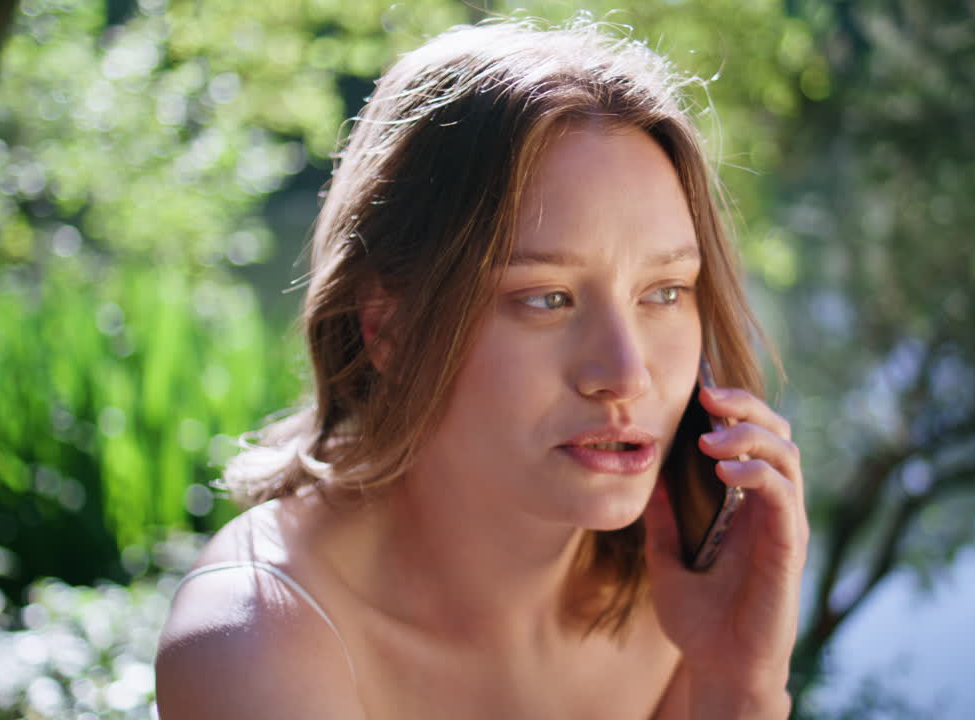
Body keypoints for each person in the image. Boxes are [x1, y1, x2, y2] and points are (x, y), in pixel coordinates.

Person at [156, 18, 807, 719]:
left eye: (666, 292)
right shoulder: (259, 641)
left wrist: (738, 684)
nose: (626, 375)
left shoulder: (683, 602)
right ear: (391, 328)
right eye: (546, 299)